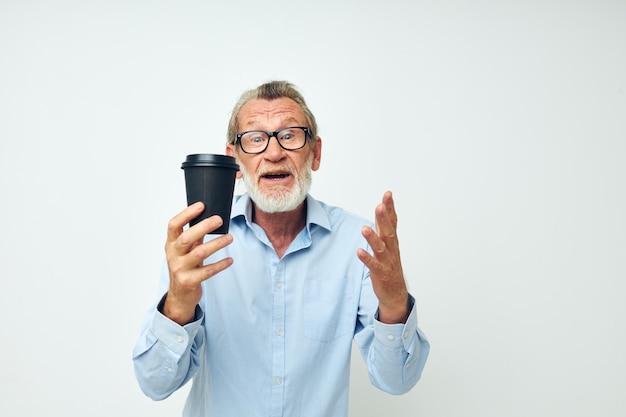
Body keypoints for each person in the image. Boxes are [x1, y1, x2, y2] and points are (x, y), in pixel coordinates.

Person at [133, 80, 429, 417]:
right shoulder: (199, 246)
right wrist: (177, 307)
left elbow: (398, 381)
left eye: (289, 135)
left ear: (314, 153)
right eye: (256, 139)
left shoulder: (358, 243)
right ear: (235, 163)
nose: (274, 153)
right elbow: (155, 384)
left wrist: (394, 304)